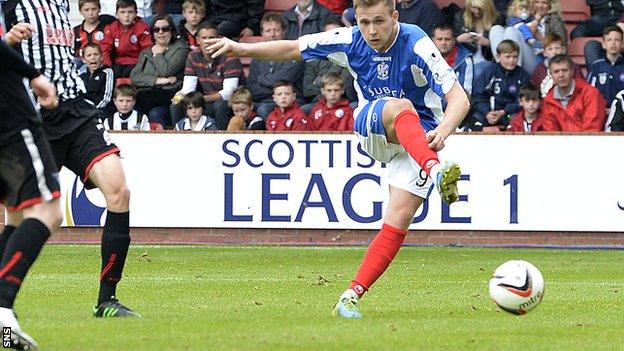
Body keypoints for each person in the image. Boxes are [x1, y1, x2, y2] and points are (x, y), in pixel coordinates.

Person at [207, 0, 470, 318]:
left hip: (421, 140)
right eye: (364, 22)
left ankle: (349, 296)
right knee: (400, 107)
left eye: (379, 21)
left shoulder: (415, 41)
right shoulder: (349, 40)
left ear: (395, 17)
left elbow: (459, 98)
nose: (371, 31)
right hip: (374, 126)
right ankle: (438, 170)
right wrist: (238, 48)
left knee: (397, 221)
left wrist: (443, 131)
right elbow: (293, 48)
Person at [4, 0, 141, 318]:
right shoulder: (11, 5)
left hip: (76, 109)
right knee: (21, 216)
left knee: (119, 192)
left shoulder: (61, 4)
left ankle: (107, 300)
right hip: (34, 114)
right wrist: (8, 40)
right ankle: (3, 304)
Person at [0, 39, 61, 351]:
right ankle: (2, 307)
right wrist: (34, 75)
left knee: (17, 214)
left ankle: (5, 325)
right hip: (10, 118)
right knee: (48, 211)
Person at [171, 22, 243, 129]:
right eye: (204, 38)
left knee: (219, 106)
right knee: (175, 105)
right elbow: (187, 88)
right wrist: (176, 99)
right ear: (198, 40)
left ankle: (221, 139)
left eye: (211, 38)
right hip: (205, 101)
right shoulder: (193, 56)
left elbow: (228, 93)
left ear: (218, 39)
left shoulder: (230, 57)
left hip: (230, 102)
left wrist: (200, 99)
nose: (208, 42)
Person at [131, 14, 189, 127]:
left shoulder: (181, 48)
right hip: (146, 94)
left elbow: (166, 70)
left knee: (155, 113)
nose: (161, 32)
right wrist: (159, 80)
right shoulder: (146, 51)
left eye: (165, 29)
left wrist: (158, 54)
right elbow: (135, 77)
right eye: (156, 30)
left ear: (172, 31)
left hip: (168, 96)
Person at [246, 12, 305, 120]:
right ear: (262, 34)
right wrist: (275, 87)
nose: (272, 35)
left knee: (263, 109)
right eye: (268, 31)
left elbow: (286, 79)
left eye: (276, 30)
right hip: (262, 101)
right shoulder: (257, 57)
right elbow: (252, 88)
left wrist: (261, 79)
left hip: (291, 102)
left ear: (284, 32)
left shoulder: (295, 53)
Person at [471, 40, 530, 131]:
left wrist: (503, 112)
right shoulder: (490, 71)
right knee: (474, 122)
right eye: (507, 57)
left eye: (515, 57)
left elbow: (523, 101)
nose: (511, 60)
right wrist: (487, 113)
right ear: (498, 56)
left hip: (509, 114)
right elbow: (477, 96)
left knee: (517, 121)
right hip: (488, 114)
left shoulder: (522, 75)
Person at [541, 54, 607, 131]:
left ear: (572, 71)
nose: (561, 75)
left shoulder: (590, 93)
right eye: (556, 72)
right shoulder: (549, 100)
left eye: (565, 70)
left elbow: (592, 129)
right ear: (551, 74)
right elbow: (551, 132)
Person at [100, 0, 152, 78]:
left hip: (136, 63)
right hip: (117, 63)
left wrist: (140, 66)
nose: (126, 15)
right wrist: (108, 67)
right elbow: (105, 49)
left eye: (130, 12)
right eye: (122, 12)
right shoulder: (112, 28)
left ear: (136, 14)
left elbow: (147, 50)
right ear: (116, 14)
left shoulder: (143, 28)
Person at [530, 33, 583, 98]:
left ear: (563, 50)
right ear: (544, 53)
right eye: (550, 49)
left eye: (557, 48)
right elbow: (534, 89)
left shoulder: (573, 66)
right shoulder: (539, 69)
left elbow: (580, 86)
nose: (554, 52)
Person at [432, 23, 475, 97]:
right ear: (432, 40)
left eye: (447, 39)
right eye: (439, 39)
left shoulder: (465, 60)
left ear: (454, 40)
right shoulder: (425, 57)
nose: (443, 43)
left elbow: (465, 95)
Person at [587, 26, 624, 107]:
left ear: (622, 44)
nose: (613, 43)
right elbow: (589, 91)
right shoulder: (597, 66)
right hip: (602, 112)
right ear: (604, 44)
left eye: (617, 40)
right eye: (609, 40)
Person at [73, 0, 115, 64]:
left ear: (99, 9)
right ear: (80, 11)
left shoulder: (108, 27)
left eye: (94, 9)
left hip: (104, 66)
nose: (91, 13)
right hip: (83, 67)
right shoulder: (76, 31)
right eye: (86, 10)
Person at [80, 43, 115, 119]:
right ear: (83, 59)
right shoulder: (81, 74)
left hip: (101, 109)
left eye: (96, 54)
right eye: (89, 55)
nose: (93, 57)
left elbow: (106, 99)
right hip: (84, 109)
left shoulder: (107, 72)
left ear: (101, 57)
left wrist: (91, 109)